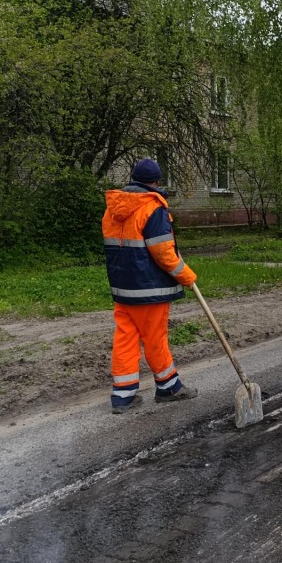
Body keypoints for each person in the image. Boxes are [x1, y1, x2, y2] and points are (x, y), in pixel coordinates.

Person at [102, 158, 199, 413]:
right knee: (155, 339)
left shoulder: (114, 208)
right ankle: (169, 388)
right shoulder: (152, 208)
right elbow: (164, 253)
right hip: (150, 288)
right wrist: (187, 276)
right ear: (156, 182)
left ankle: (123, 396)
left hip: (122, 287)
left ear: (133, 179)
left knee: (126, 339)